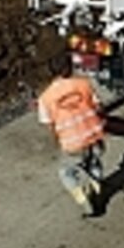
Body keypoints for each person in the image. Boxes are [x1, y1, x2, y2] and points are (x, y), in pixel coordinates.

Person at [37, 56, 105, 216]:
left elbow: (49, 124)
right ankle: (96, 190)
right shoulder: (84, 84)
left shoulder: (45, 98)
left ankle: (82, 198)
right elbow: (98, 106)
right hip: (93, 134)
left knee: (66, 172)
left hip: (72, 143)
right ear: (70, 67)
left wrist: (58, 140)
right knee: (94, 164)